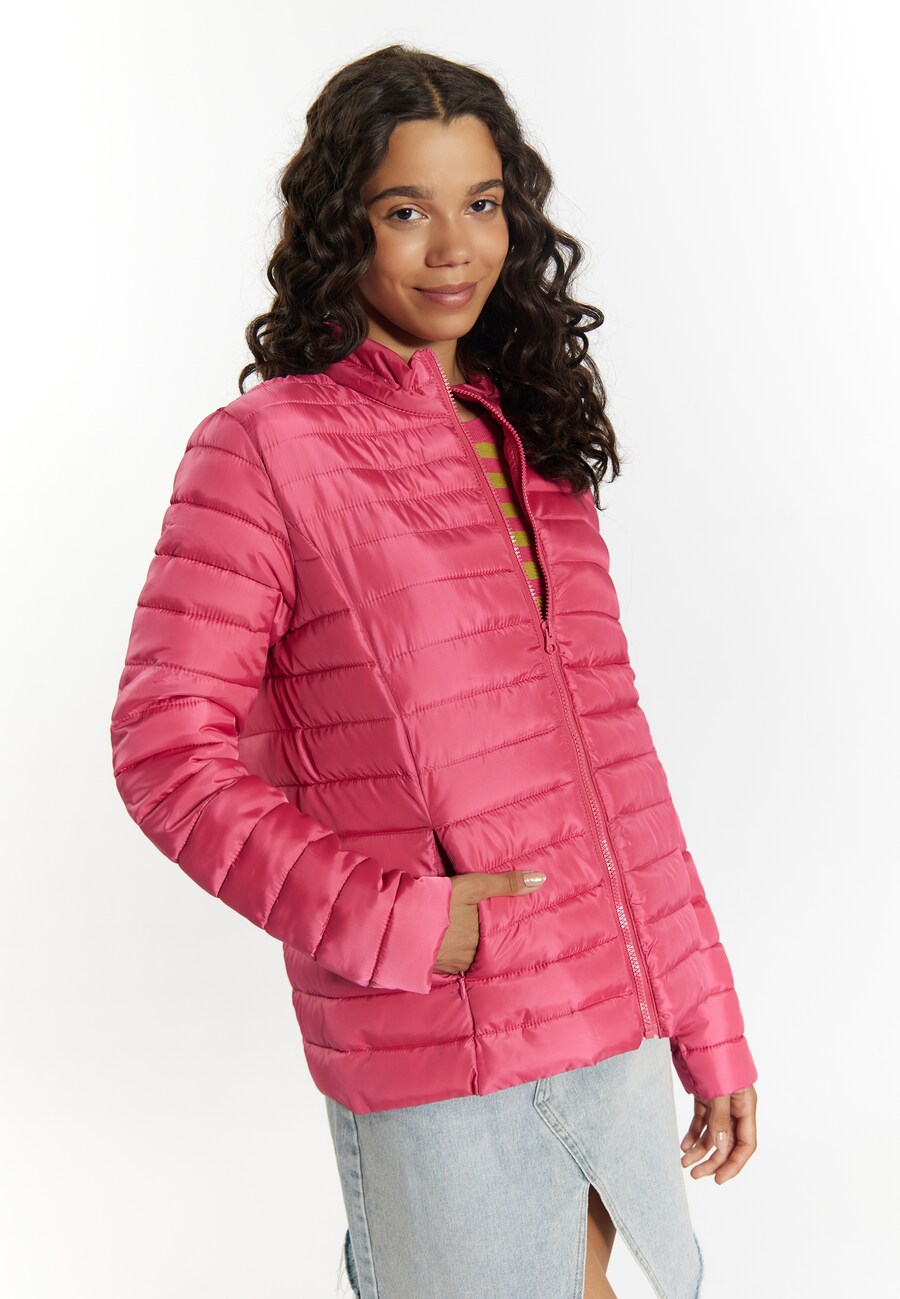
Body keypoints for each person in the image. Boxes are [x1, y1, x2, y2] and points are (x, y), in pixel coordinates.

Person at [109, 44, 758, 1299]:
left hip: (611, 1023)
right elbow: (163, 754)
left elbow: (617, 766)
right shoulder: (265, 450)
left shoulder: (536, 447)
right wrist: (397, 919)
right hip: (441, 1048)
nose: (454, 248)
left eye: (483, 204)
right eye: (406, 210)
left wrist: (705, 1013)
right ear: (339, 227)